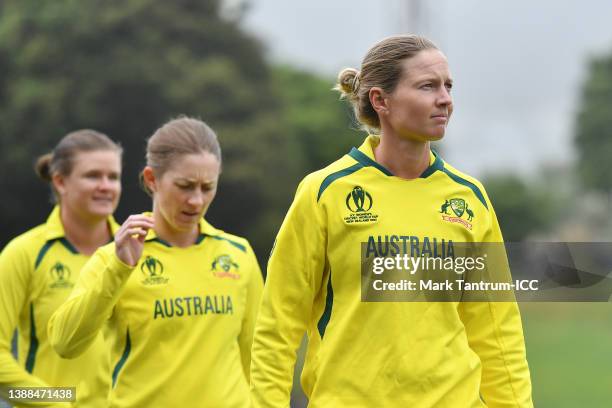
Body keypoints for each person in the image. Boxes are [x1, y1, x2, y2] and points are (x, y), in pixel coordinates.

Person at [250, 35, 533, 407]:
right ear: (380, 100)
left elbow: (498, 331)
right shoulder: (324, 192)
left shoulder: (470, 198)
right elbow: (278, 325)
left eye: (448, 86)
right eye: (427, 86)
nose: (445, 99)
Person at [49, 117, 264, 408]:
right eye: (185, 186)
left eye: (207, 187)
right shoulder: (113, 258)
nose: (196, 201)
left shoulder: (239, 254)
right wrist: (118, 268)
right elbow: (65, 343)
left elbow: (258, 356)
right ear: (152, 179)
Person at [0, 130, 122, 407]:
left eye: (113, 177)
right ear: (60, 182)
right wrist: (58, 403)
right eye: (93, 176)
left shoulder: (141, 253)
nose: (106, 186)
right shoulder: (23, 254)